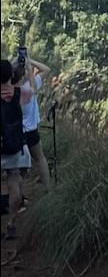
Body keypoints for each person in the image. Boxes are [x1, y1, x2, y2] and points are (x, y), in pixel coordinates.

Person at [1, 58, 34, 241]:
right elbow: (34, 91)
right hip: (15, 147)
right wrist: (27, 68)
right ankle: (11, 224)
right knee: (14, 181)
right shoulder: (20, 92)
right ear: (11, 75)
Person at [16, 53, 52, 190]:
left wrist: (16, 60)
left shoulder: (12, 90)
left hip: (16, 133)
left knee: (18, 169)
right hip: (31, 131)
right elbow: (46, 69)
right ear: (25, 72)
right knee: (40, 158)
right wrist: (30, 62)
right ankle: (47, 188)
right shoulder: (31, 86)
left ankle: (19, 197)